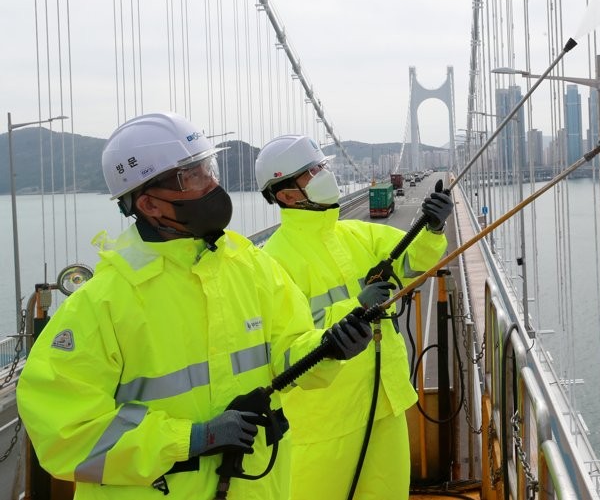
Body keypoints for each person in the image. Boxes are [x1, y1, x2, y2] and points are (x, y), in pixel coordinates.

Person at [16, 112, 374, 499]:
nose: (212, 185)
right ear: (150, 204)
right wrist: (191, 439)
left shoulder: (252, 267)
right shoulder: (103, 302)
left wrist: (327, 347)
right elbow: (64, 433)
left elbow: (288, 349)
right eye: (193, 176)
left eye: (209, 168)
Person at [254, 135, 454, 499]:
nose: (324, 174)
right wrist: (356, 307)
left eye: (322, 166)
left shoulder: (357, 233)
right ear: (286, 195)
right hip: (324, 427)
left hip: (385, 406)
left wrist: (433, 227)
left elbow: (414, 262)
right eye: (312, 171)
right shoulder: (271, 261)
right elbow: (286, 343)